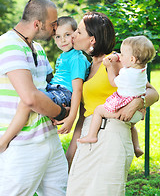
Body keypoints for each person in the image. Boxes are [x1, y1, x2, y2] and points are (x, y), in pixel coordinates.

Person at [66, 12, 159, 196]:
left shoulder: (115, 60)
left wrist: (136, 103)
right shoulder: (86, 66)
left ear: (92, 39)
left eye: (78, 31)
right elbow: (85, 112)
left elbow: (153, 92)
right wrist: (72, 149)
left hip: (112, 134)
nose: (73, 35)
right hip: (89, 133)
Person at [0, 0, 69, 196]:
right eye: (53, 24)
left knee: (60, 192)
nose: (56, 29)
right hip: (22, 143)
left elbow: (49, 86)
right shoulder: (8, 45)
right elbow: (30, 98)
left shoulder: (37, 49)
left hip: (50, 139)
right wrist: (61, 112)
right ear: (37, 24)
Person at [0, 16, 90, 152]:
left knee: (28, 101)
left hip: (63, 93)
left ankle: (3, 141)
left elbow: (77, 90)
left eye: (67, 35)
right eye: (58, 37)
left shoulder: (76, 58)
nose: (63, 40)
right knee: (30, 96)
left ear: (76, 34)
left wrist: (72, 116)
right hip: (54, 89)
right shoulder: (64, 56)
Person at [77, 35, 156, 158]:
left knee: (99, 110)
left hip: (123, 107)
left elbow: (113, 82)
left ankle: (91, 135)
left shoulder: (126, 74)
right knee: (132, 126)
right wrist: (117, 57)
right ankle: (137, 147)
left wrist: (109, 67)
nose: (120, 55)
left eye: (122, 54)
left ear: (132, 59)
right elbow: (126, 59)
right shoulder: (141, 70)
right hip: (138, 112)